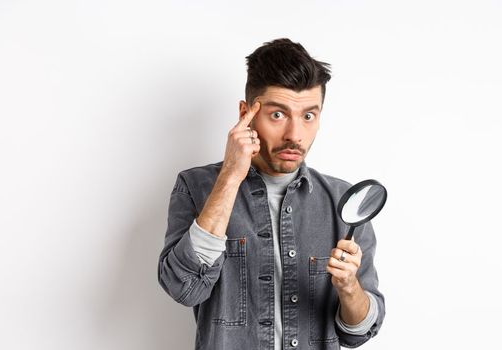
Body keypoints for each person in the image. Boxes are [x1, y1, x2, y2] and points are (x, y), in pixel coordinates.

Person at [157, 38, 385, 350]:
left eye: (308, 116)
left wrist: (348, 287)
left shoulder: (343, 202)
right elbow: (184, 288)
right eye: (278, 115)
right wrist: (230, 177)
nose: (295, 134)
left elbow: (358, 333)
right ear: (246, 113)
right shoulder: (196, 187)